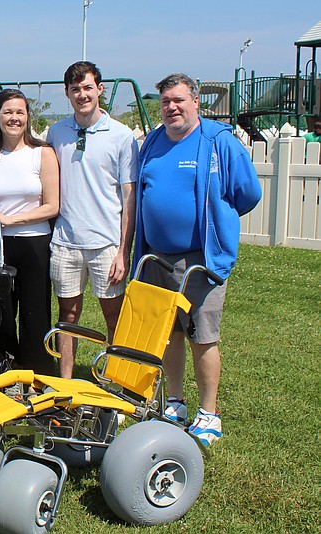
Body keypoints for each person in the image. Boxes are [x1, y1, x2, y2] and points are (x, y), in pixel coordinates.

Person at [133, 73, 262, 446]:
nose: (171, 107)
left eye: (178, 100)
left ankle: (209, 413)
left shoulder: (219, 141)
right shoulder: (154, 141)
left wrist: (216, 222)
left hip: (200, 260)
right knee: (169, 334)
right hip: (157, 258)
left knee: (202, 336)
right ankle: (175, 402)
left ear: (195, 102)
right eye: (165, 102)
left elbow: (247, 194)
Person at [46, 61, 139, 379]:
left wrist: (122, 251)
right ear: (67, 93)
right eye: (75, 89)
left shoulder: (122, 136)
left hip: (106, 245)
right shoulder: (56, 132)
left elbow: (129, 197)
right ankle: (65, 381)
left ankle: (117, 381)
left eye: (87, 87)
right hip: (65, 243)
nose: (82, 94)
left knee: (114, 316)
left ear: (100, 89)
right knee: (67, 315)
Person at [0, 88, 60, 374]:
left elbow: (52, 206)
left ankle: (38, 372)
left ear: (28, 117)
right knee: (2, 311)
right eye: (7, 112)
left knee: (36, 313)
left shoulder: (42, 154)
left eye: (20, 112)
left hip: (34, 243)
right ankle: (4, 369)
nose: (14, 118)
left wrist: (13, 220)